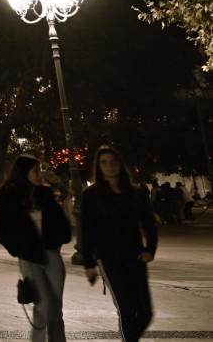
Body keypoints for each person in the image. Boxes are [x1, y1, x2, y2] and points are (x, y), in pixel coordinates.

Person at [81, 145, 157, 342]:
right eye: (104, 162)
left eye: (113, 161)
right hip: (109, 258)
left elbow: (150, 224)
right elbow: (87, 230)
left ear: (121, 164)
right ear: (99, 167)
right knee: (127, 308)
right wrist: (89, 263)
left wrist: (150, 249)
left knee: (146, 312)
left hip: (135, 256)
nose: (109, 166)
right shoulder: (92, 195)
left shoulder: (136, 193)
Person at [0, 155, 72, 342]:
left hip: (51, 254)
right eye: (36, 171)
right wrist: (18, 250)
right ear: (24, 173)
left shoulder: (45, 194)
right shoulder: (9, 197)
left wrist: (59, 239)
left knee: (56, 308)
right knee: (43, 305)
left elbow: (62, 222)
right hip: (29, 257)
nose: (40, 174)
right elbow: (3, 230)